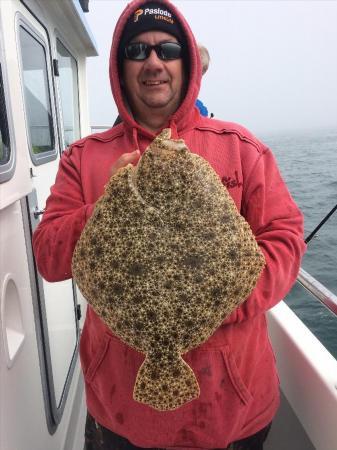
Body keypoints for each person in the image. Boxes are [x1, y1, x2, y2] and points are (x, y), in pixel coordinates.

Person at [32, 1, 306, 449]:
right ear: (121, 67)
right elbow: (48, 257)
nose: (153, 62)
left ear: (188, 61)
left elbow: (285, 242)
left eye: (168, 49)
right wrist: (106, 204)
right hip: (122, 412)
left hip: (232, 410)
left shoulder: (241, 148)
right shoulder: (84, 157)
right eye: (137, 51)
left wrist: (218, 303)